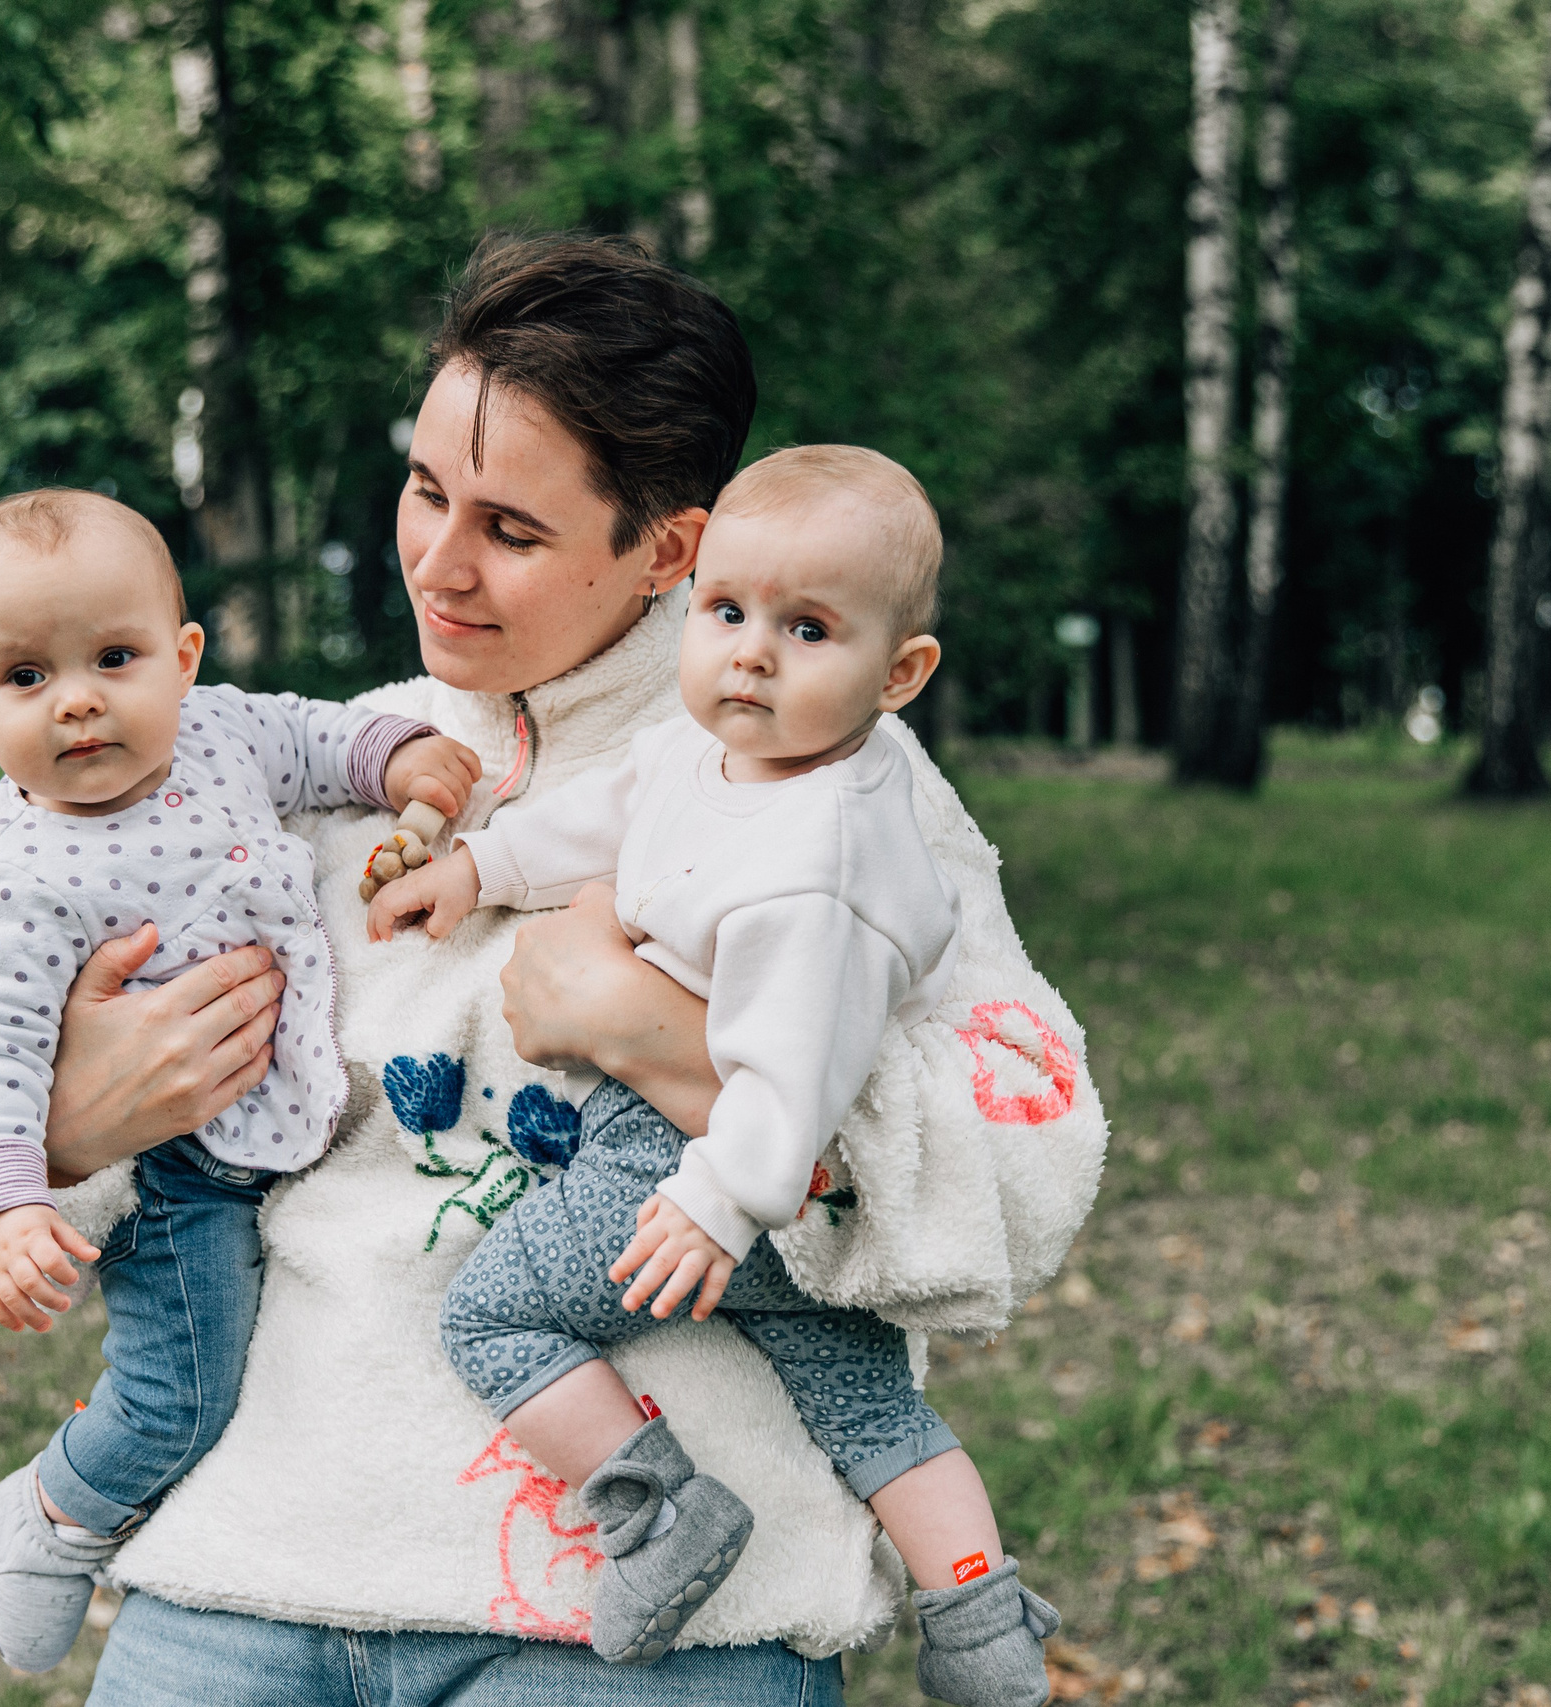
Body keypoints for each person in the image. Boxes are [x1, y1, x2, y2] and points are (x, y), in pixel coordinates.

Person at [28, 235, 1107, 1707]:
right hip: (258, 1564)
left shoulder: (837, 787)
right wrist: (71, 1126)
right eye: (423, 492)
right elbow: (42, 1118)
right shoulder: (303, 768)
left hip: (659, 1623)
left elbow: (1027, 1168)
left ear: (669, 547)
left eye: (511, 530)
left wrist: (665, 1039)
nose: (436, 561)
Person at [370, 444, 1053, 1706]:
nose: (748, 653)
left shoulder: (823, 862)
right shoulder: (719, 752)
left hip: (693, 1165)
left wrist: (714, 1204)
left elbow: (794, 1077)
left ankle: (662, 1516)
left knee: (496, 1314)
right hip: (768, 1194)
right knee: (867, 1409)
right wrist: (477, 869)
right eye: (728, 613)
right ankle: (977, 1611)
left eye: (806, 629)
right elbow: (608, 816)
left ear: (899, 675)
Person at [0, 487, 479, 1669]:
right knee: (182, 1391)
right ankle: (53, 1512)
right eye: (26, 679)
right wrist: (3, 1203)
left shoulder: (219, 728)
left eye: (113, 658)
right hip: (175, 1176)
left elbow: (314, 739)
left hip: (275, 1131)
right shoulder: (21, 875)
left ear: (182, 660)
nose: (77, 699)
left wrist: (399, 754)